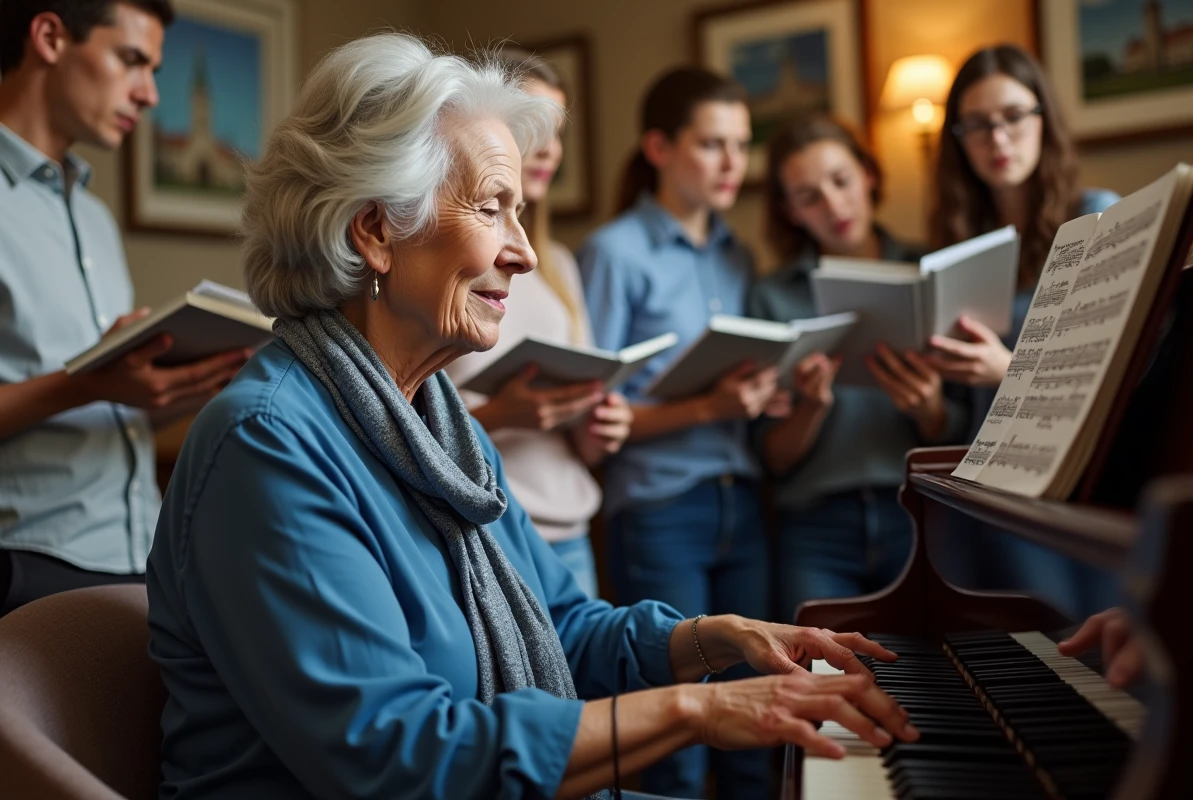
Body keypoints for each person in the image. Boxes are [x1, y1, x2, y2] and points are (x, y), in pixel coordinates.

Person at [145, 34, 919, 800]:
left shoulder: (444, 431)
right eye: (492, 209)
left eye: (520, 213)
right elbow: (397, 757)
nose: (524, 252)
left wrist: (716, 637)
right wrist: (698, 706)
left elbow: (563, 628)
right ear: (375, 230)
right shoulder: (269, 446)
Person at [576, 67, 788, 799]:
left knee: (756, 722)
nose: (734, 163)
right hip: (663, 508)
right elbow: (593, 413)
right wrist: (711, 407)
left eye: (741, 144)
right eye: (712, 144)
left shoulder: (738, 254)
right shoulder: (614, 252)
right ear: (660, 148)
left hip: (744, 503)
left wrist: (770, 395)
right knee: (678, 735)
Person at [0, 0, 249, 615]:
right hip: (29, 564)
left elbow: (112, 404)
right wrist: (86, 385)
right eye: (131, 60)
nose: (149, 95)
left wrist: (187, 383)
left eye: (156, 72)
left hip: (144, 556)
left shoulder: (94, 217)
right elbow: (85, 390)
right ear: (50, 37)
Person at [923, 44, 1121, 618]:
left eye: (1013, 116)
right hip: (981, 493)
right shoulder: (958, 247)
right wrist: (930, 406)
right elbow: (962, 418)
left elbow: (1115, 377)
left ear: (1044, 119)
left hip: (1067, 490)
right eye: (977, 126)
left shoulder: (1097, 216)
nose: (997, 139)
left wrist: (1006, 370)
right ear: (958, 140)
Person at [747, 114, 966, 624]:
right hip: (816, 526)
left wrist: (930, 410)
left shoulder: (932, 270)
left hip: (919, 513)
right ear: (790, 211)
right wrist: (811, 409)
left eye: (841, 181)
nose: (833, 206)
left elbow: (967, 429)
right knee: (819, 683)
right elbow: (772, 456)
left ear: (868, 174)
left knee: (934, 678)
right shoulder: (771, 295)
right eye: (808, 197)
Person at [446, 48, 630, 600]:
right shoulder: (450, 266)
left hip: (571, 533)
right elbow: (410, 412)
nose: (550, 147)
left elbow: (582, 440)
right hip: (487, 528)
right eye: (533, 125)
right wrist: (505, 415)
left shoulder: (561, 267)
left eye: (559, 129)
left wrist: (599, 425)